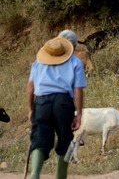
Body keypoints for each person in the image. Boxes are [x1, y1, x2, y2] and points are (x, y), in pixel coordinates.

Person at [27, 36, 86, 179]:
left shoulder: (38, 63)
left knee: (39, 139)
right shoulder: (75, 62)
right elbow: (78, 89)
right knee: (66, 139)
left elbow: (30, 87)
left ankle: (34, 174)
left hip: (42, 103)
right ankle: (61, 176)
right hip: (63, 103)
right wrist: (78, 114)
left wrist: (30, 109)